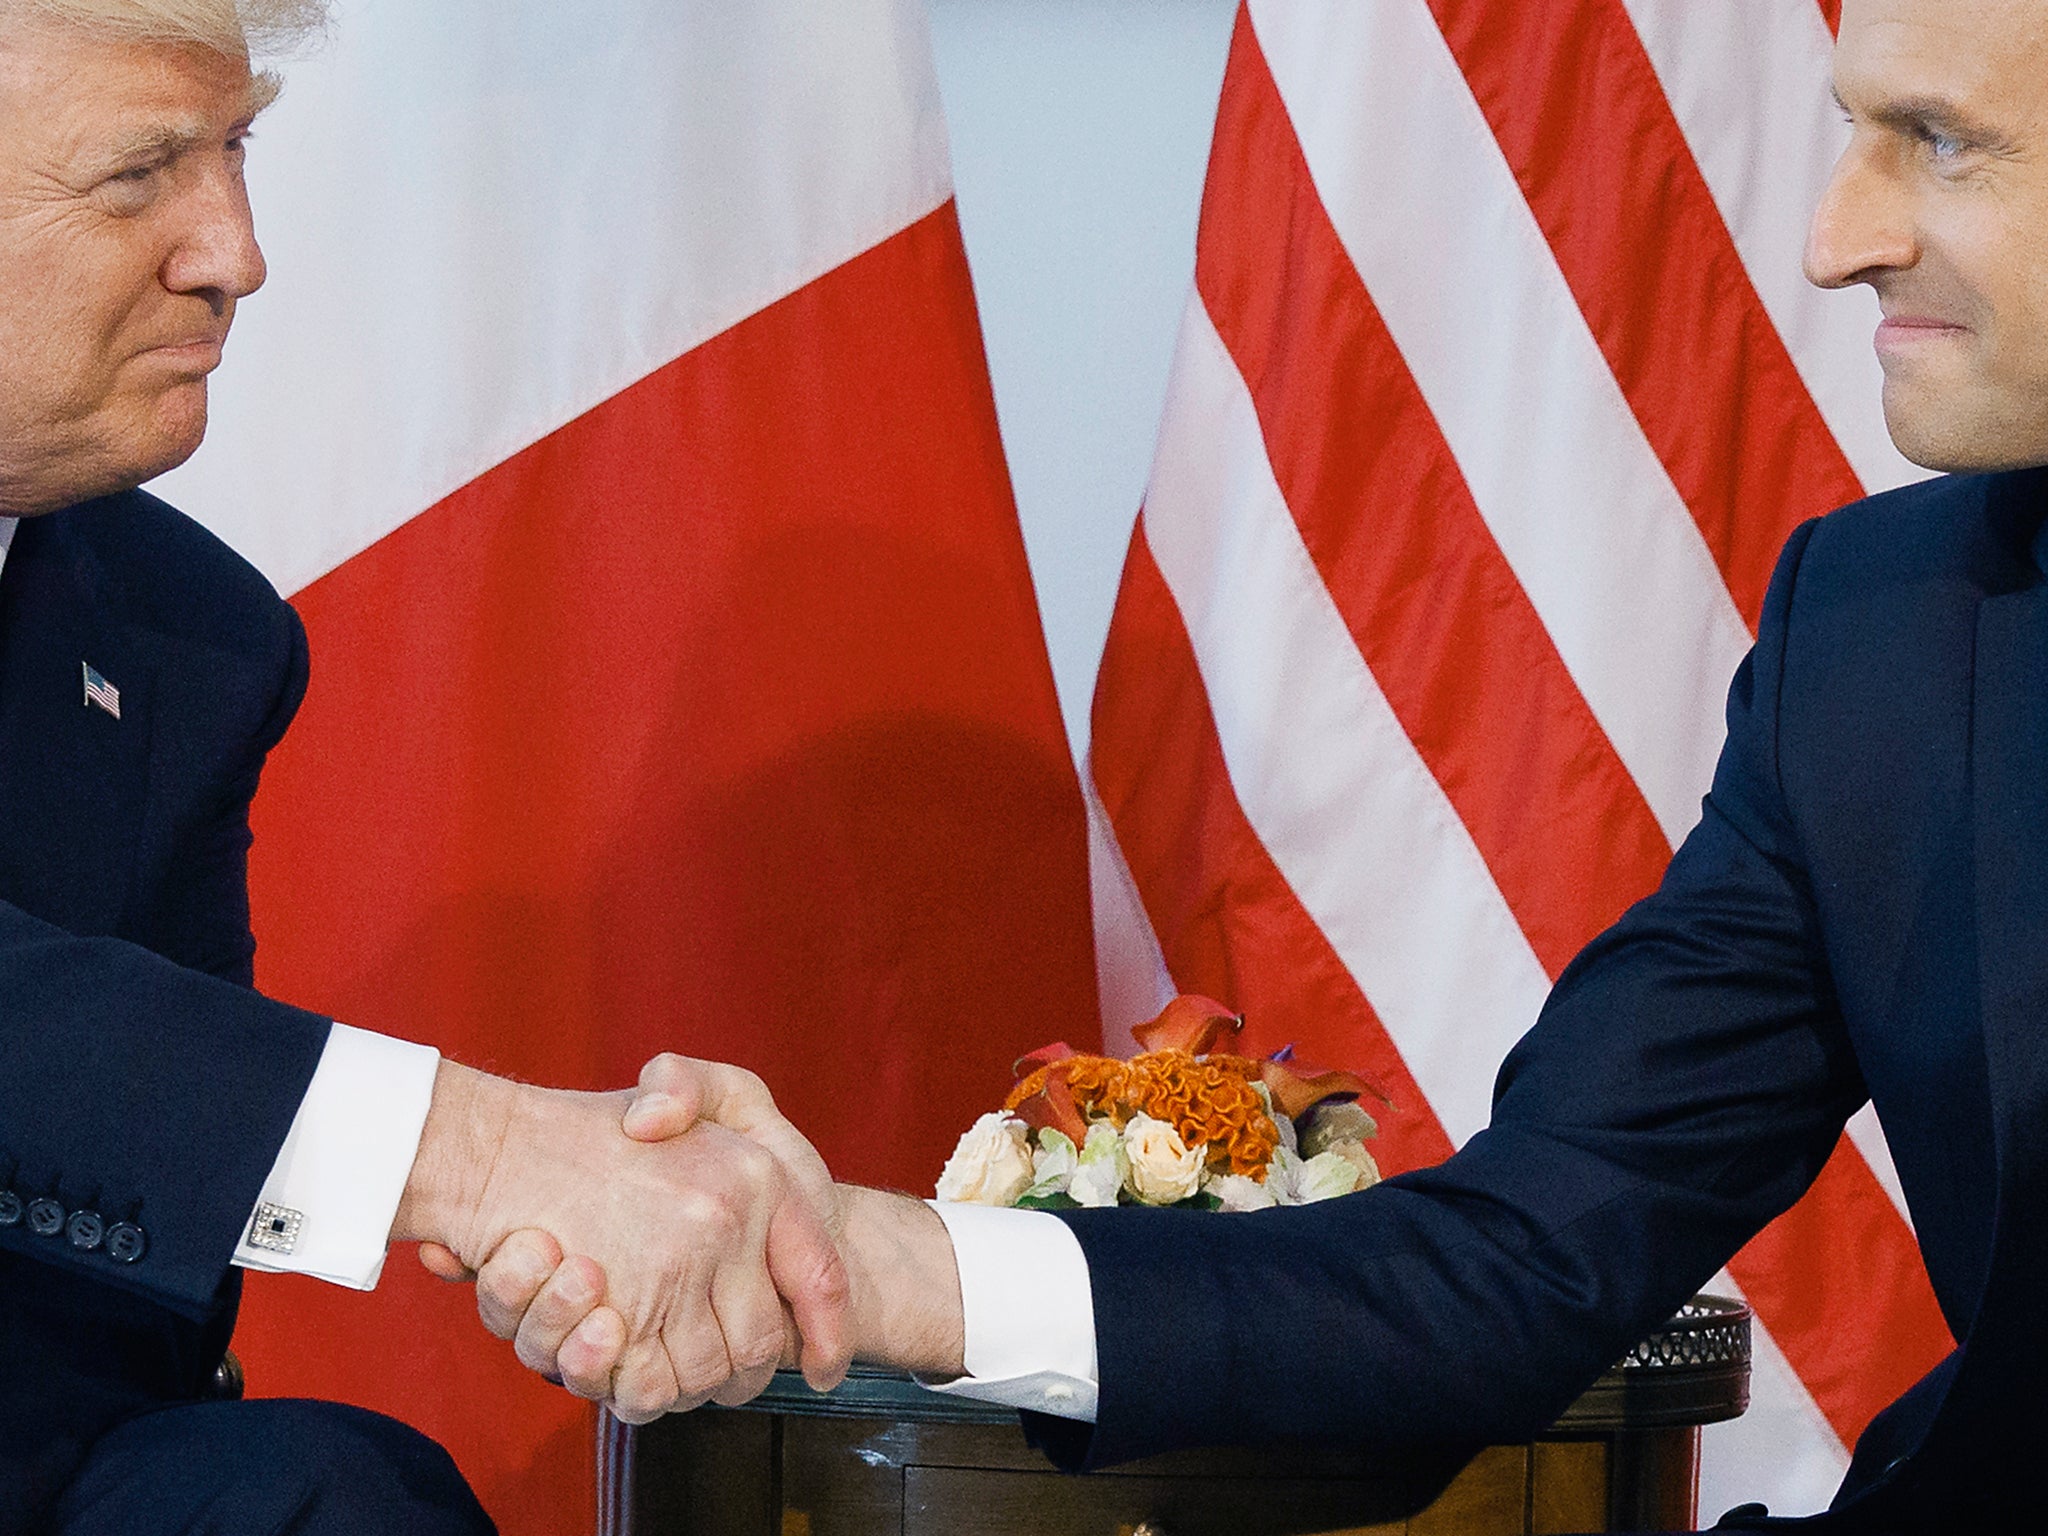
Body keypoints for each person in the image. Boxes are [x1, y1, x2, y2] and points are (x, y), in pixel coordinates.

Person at [491, 0, 2048, 1526]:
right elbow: (1514, 1264)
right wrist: (876, 1261)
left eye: (1943, 144)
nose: (1837, 239)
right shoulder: (1882, 643)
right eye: (1854, 132)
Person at [0, 3, 851, 1530]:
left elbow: (125, 1291)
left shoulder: (190, 635)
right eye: (141, 176)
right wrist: (484, 1156)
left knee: (326, 1494)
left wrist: (618, 1221)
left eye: (236, 149)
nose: (234, 254)